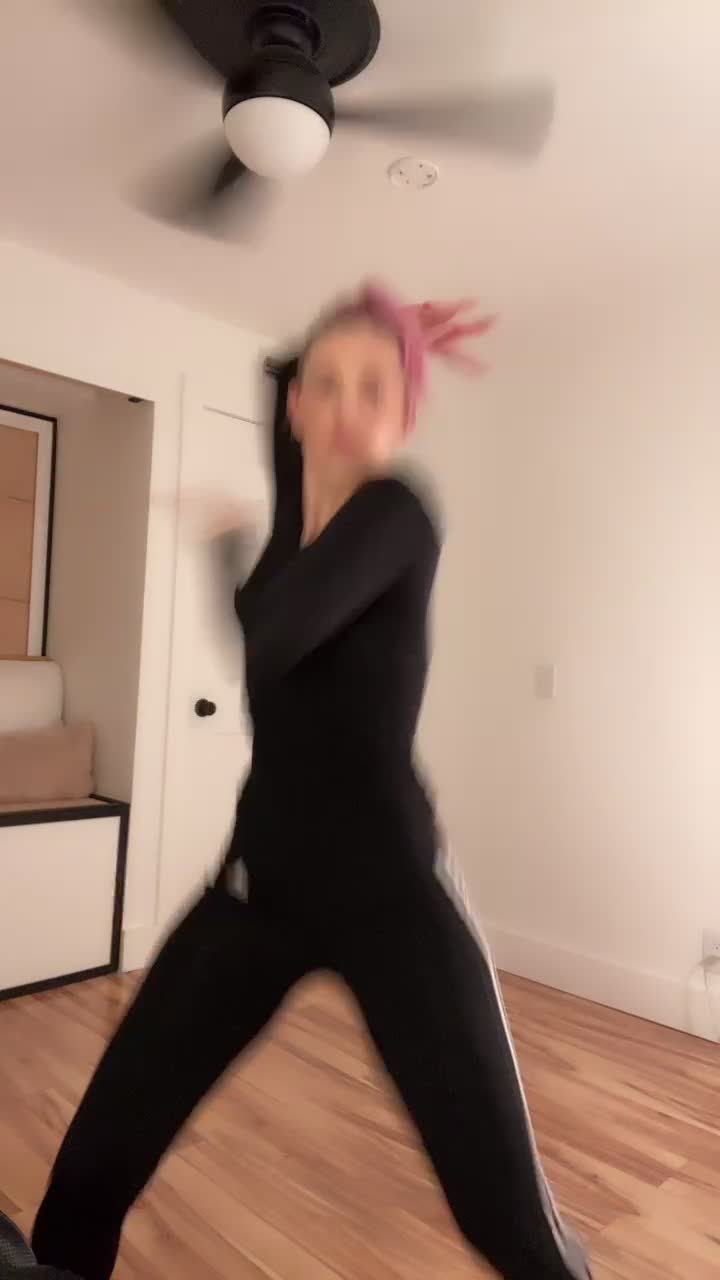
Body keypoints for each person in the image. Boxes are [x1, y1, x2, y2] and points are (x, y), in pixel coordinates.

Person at [30, 284, 591, 1280]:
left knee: (506, 1219)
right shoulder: (297, 527)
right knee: (89, 1173)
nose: (344, 407)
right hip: (259, 891)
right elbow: (280, 391)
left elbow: (272, 636)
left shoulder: (398, 511)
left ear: (405, 417)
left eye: (375, 390)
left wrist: (224, 553)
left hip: (395, 896)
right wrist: (381, 332)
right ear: (295, 408)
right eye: (324, 386)